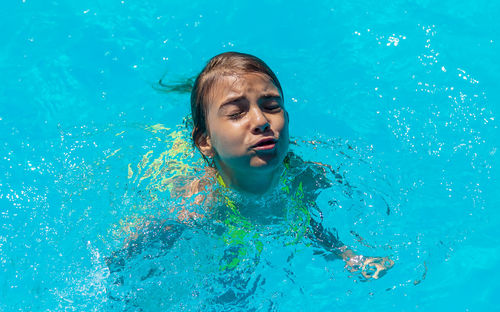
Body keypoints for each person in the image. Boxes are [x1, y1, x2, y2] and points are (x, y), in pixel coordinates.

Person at [106, 52, 393, 290]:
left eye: (271, 106)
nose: (261, 120)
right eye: (236, 112)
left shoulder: (308, 176)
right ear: (206, 142)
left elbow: (306, 220)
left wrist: (348, 256)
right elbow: (133, 247)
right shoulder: (198, 200)